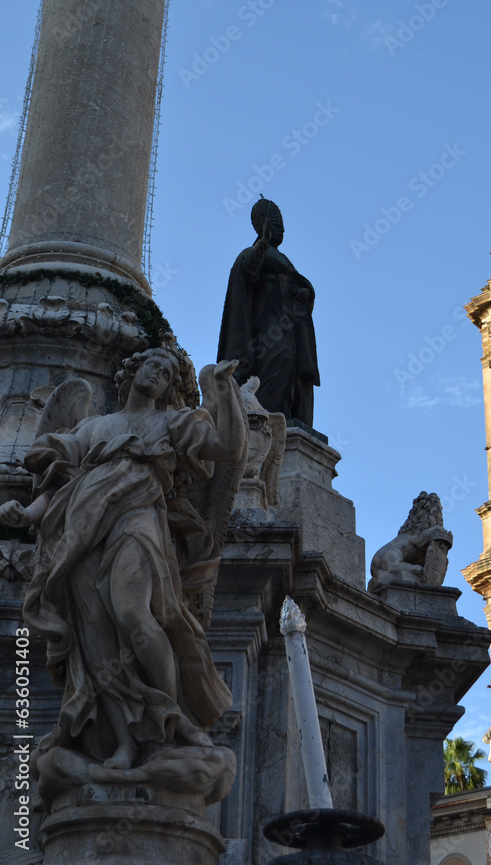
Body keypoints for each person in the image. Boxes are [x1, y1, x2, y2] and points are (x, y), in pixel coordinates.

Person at [0, 348, 246, 770]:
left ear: (170, 388)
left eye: (167, 372)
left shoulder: (170, 423)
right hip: (80, 530)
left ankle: (169, 722)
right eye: (151, 364)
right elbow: (57, 486)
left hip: (137, 518)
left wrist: (222, 390)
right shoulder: (93, 426)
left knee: (134, 613)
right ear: (132, 372)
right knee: (94, 640)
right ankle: (124, 743)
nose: (157, 373)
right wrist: (25, 515)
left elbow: (227, 448)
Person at [217, 197, 319, 426]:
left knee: (292, 368)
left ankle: (284, 416)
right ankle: (265, 417)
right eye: (274, 226)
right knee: (280, 359)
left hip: (290, 323)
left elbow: (297, 283)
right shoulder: (252, 253)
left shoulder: (283, 258)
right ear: (262, 227)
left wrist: (304, 292)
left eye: (281, 227)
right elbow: (249, 271)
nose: (279, 231)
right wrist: (262, 243)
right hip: (266, 321)